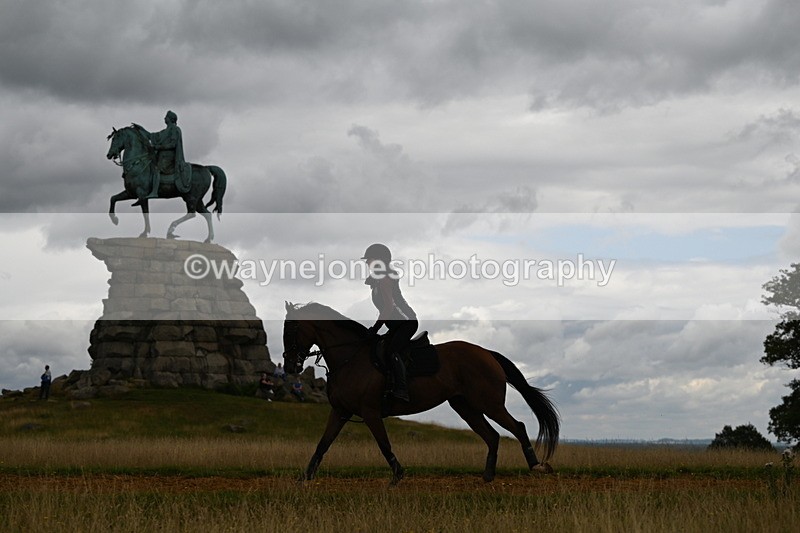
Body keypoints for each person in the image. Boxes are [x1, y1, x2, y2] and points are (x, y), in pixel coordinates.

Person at [362, 243, 417, 402]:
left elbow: (388, 307)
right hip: (396, 325)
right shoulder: (378, 280)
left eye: (369, 259)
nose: (367, 263)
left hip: (406, 323)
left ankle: (401, 389)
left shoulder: (385, 278)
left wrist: (375, 328)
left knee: (391, 351)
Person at [131, 110, 191, 200]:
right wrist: (141, 129)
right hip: (161, 155)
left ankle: (154, 192)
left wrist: (158, 147)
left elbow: (173, 144)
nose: (164, 118)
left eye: (166, 117)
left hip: (169, 157)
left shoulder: (175, 129)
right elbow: (152, 136)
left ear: (170, 119)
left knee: (156, 169)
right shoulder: (165, 131)